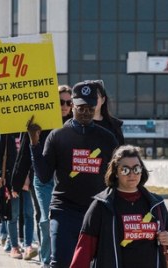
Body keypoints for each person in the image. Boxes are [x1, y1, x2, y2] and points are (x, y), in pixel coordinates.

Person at [28, 80, 119, 267]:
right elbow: (44, 175)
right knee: (60, 262)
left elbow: (117, 177)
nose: (85, 111)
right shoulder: (58, 135)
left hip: (97, 211)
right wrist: (34, 143)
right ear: (72, 106)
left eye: (90, 107)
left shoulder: (107, 138)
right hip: (65, 210)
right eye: (80, 107)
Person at [71, 145, 168, 268]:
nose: (132, 174)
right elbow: (84, 248)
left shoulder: (156, 203)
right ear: (116, 172)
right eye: (125, 170)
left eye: (136, 169)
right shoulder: (101, 205)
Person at [11, 84, 73, 267]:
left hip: (67, 180)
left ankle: (62, 257)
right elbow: (23, 152)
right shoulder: (39, 122)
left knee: (65, 221)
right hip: (43, 178)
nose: (65, 106)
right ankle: (47, 261)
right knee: (46, 219)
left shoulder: (75, 124)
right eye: (61, 101)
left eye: (69, 102)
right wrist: (17, 181)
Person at [0, 132, 37, 260]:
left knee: (29, 213)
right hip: (11, 180)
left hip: (28, 179)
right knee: (13, 214)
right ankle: (14, 246)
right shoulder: (5, 133)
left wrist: (29, 176)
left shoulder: (29, 130)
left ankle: (28, 245)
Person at [91, 80, 125, 145]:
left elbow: (120, 151)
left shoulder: (114, 126)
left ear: (103, 100)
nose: (92, 101)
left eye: (95, 98)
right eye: (89, 98)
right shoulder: (77, 124)